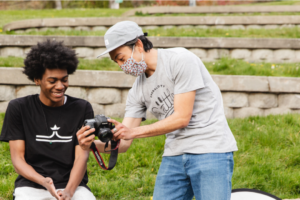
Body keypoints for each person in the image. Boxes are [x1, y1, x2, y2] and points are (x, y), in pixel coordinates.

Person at [77, 21, 238, 200]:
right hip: (174, 155)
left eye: (122, 58)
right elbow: (123, 144)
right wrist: (89, 145)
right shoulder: (137, 90)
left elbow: (182, 118)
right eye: (117, 62)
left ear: (138, 45)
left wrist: (132, 132)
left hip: (210, 150)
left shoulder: (180, 59)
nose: (121, 66)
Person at [0, 40, 96, 200]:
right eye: (52, 81)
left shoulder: (82, 108)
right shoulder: (19, 108)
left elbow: (82, 155)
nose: (60, 86)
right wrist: (44, 182)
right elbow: (18, 159)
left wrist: (69, 191)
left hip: (73, 185)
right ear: (37, 79)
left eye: (64, 79)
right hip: (31, 185)